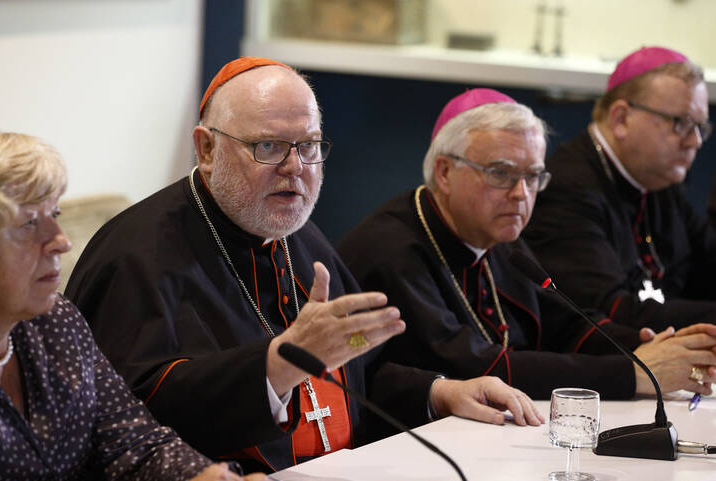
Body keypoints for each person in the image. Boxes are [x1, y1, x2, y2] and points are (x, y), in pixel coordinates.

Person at [65, 57, 543, 473]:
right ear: (207, 149)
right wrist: (276, 367)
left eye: (309, 146)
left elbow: (356, 374)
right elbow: (129, 425)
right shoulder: (134, 256)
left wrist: (441, 393)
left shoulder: (301, 238)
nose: (296, 167)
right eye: (268, 146)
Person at [336, 88, 716, 400]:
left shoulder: (499, 238)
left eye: (533, 176)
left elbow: (568, 325)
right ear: (445, 172)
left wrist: (652, 346)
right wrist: (634, 372)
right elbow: (477, 367)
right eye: (501, 174)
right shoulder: (393, 251)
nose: (521, 194)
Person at [0, 129, 265, 480]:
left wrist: (208, 477)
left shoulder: (56, 322)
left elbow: (132, 443)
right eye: (30, 222)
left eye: (55, 215)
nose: (61, 241)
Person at [523, 46, 716, 332]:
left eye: (701, 127)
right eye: (682, 124)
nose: (695, 142)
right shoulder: (565, 190)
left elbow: (708, 261)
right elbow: (614, 312)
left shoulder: (658, 178)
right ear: (621, 119)